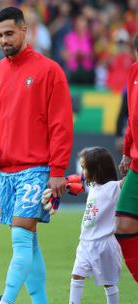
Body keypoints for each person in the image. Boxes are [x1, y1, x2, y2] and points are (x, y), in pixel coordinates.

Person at [0, 7, 73, 304]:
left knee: (20, 238)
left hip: (36, 169)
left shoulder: (49, 71)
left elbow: (61, 125)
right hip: (6, 172)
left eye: (8, 33)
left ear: (24, 30)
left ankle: (4, 302)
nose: (4, 40)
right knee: (28, 243)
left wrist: (57, 170)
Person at [69, 147, 123, 304]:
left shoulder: (113, 187)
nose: (82, 171)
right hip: (85, 242)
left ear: (96, 168)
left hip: (104, 244)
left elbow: (128, 181)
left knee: (109, 283)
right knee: (77, 276)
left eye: (84, 167)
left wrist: (130, 161)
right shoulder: (93, 187)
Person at [116, 34, 138, 283]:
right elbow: (132, 118)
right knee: (123, 226)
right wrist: (126, 152)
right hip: (137, 165)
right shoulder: (134, 73)